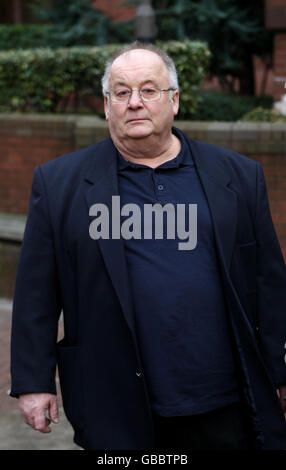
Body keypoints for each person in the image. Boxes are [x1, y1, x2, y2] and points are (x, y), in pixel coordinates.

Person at [10, 41, 286, 450]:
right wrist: (33, 382)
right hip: (116, 400)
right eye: (121, 92)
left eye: (149, 90)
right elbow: (36, 292)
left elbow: (269, 283)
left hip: (226, 402)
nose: (134, 103)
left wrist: (280, 372)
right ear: (107, 106)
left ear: (174, 100)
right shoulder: (59, 185)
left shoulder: (239, 176)